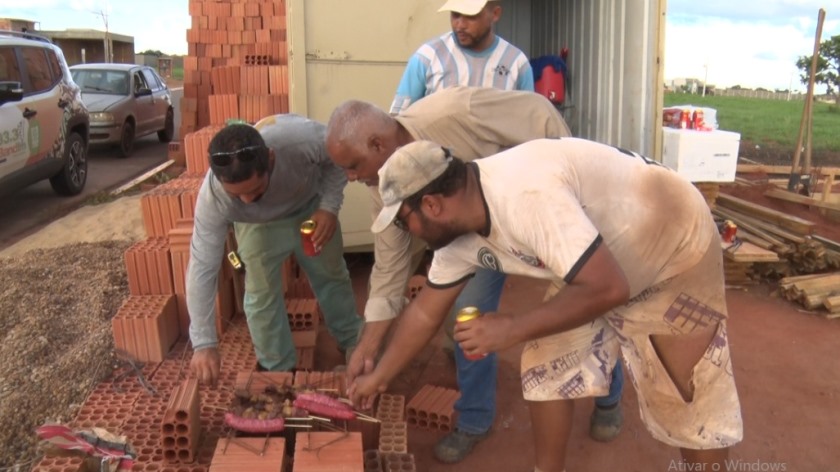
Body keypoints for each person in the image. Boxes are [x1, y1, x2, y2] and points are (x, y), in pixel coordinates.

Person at [350, 139, 743, 472]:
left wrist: (512, 328)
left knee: (687, 398)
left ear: (432, 205)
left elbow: (607, 287)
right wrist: (379, 376)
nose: (405, 232)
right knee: (547, 366)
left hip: (671, 245)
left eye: (403, 222)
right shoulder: (459, 232)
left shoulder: (525, 197)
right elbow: (424, 312)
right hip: (596, 261)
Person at [326, 86, 573, 463]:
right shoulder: (383, 184)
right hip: (470, 239)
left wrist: (559, 185)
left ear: (377, 144)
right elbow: (392, 271)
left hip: (530, 217)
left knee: (580, 307)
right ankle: (475, 419)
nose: (349, 177)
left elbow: (538, 113)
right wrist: (368, 347)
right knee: (464, 318)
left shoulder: (457, 112)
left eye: (353, 166)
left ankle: (608, 395)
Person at [187, 116, 362, 387]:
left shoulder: (301, 139)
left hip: (308, 209)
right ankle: (279, 370)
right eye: (237, 196)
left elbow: (338, 161)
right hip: (256, 227)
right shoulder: (214, 199)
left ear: (270, 159)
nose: (248, 200)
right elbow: (202, 267)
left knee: (331, 276)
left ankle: (352, 342)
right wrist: (203, 342)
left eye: (256, 190)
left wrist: (329, 206)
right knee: (260, 295)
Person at [389, 0, 534, 115]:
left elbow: (529, 124)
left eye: (471, 16)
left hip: (498, 153)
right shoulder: (428, 57)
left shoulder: (516, 63)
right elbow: (399, 120)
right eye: (455, 15)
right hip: (437, 152)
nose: (460, 25)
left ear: (495, 14)